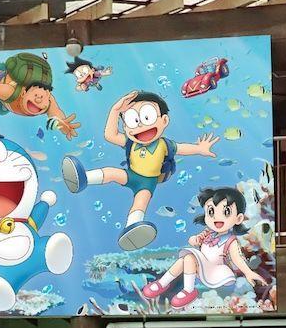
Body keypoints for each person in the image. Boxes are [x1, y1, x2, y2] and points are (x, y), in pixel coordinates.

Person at [61, 90, 219, 251]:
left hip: (147, 182)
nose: (141, 125)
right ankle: (83, 179)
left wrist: (199, 149)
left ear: (164, 120)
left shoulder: (164, 145)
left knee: (140, 202)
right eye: (133, 120)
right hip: (131, 175)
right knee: (111, 173)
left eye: (147, 117)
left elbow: (182, 148)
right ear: (125, 126)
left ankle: (133, 227)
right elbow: (110, 135)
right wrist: (115, 110)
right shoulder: (131, 143)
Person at [141, 187, 267, 309]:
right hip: (202, 267)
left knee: (189, 258)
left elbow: (237, 258)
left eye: (226, 212)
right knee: (183, 260)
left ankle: (188, 290)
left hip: (216, 271)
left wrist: (248, 272)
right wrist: (195, 239)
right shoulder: (208, 233)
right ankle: (162, 283)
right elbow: (192, 241)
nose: (217, 217)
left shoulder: (230, 240)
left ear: (238, 218)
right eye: (211, 212)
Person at [0, 52, 80, 139]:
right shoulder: (9, 91)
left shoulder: (48, 100)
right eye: (36, 96)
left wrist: (63, 125)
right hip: (5, 83)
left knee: (3, 109)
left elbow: (56, 113)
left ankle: (5, 107)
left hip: (13, 103)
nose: (39, 101)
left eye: (43, 98)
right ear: (24, 93)